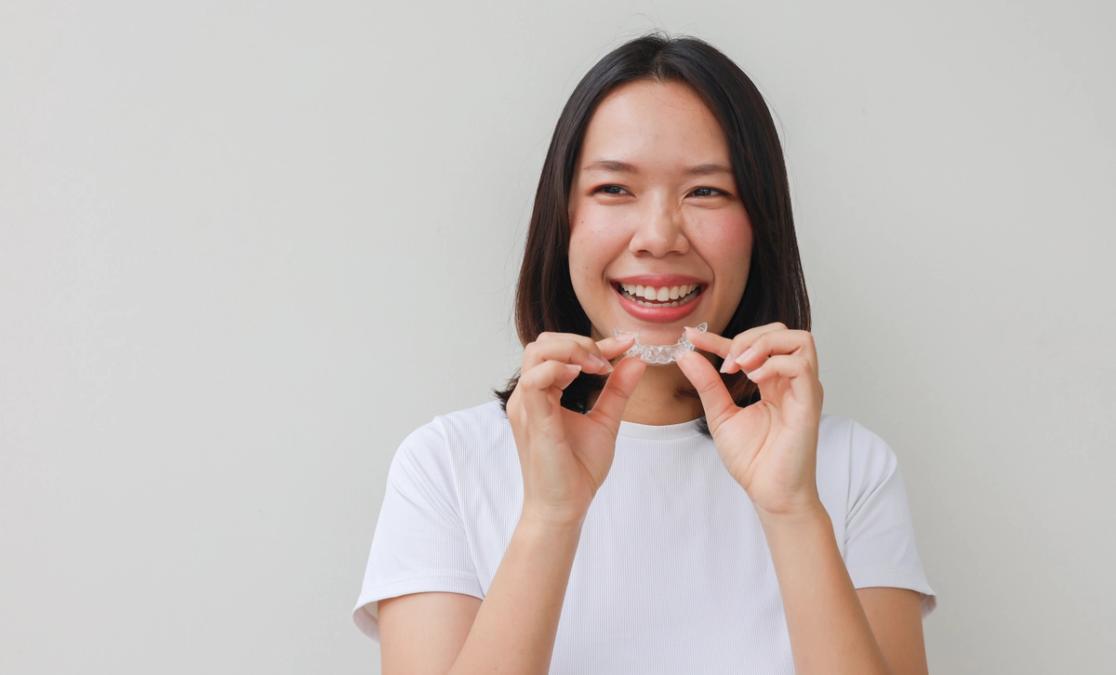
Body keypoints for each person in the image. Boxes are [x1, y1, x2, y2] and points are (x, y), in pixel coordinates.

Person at [352, 31, 937, 674]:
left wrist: (792, 511)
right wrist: (551, 516)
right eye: (614, 189)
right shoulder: (444, 468)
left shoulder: (850, 470)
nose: (659, 237)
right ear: (563, 218)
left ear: (760, 225)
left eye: (706, 191)